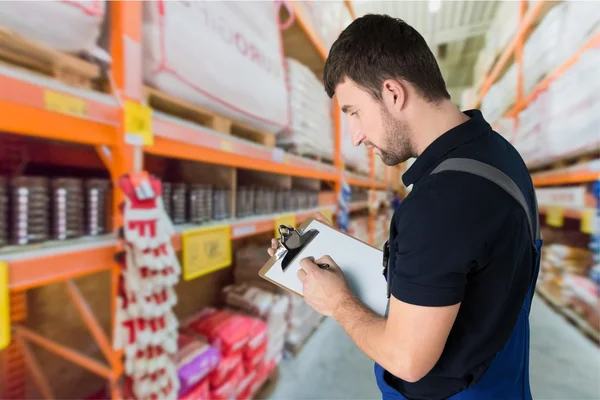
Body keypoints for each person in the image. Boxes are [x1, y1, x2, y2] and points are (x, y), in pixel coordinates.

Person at [268, 14, 542, 400]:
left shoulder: (439, 204)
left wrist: (338, 303)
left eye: (353, 112)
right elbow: (460, 272)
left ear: (393, 93)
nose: (356, 136)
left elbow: (406, 359)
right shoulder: (497, 155)